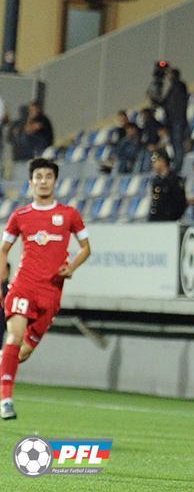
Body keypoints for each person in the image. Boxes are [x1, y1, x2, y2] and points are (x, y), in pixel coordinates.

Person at [0, 158, 91, 419]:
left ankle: (3, 372)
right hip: (23, 286)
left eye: (48, 176)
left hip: (51, 294)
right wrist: (2, 281)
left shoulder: (69, 215)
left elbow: (86, 248)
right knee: (14, 337)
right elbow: (3, 250)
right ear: (31, 182)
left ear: (55, 181)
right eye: (38, 176)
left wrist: (72, 267)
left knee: (22, 353)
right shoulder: (20, 216)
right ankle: (6, 401)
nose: (43, 181)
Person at [147, 62, 189, 173]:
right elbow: (163, 103)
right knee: (173, 144)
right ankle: (173, 165)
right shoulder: (171, 89)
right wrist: (154, 98)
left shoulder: (179, 86)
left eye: (169, 75)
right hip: (171, 121)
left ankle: (178, 167)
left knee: (177, 144)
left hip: (178, 121)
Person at [147, 151, 186, 222]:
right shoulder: (156, 181)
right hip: (156, 220)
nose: (153, 165)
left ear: (162, 162)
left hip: (170, 220)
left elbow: (180, 203)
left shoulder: (175, 180)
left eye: (155, 162)